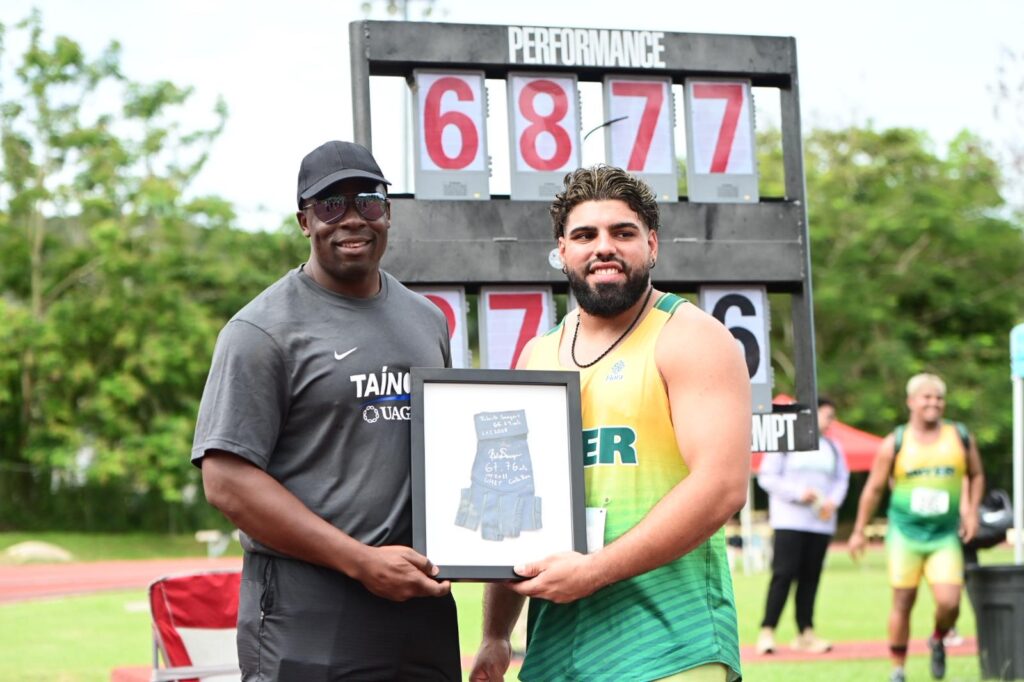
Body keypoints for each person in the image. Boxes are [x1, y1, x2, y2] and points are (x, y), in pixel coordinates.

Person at [469, 165, 751, 682]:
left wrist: (592, 572)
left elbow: (722, 486)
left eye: (622, 232)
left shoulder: (691, 337)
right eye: (585, 235)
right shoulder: (537, 355)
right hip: (558, 648)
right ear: (562, 249)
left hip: (670, 646)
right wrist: (495, 635)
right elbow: (514, 503)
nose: (604, 247)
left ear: (652, 244)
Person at [191, 141, 460, 681]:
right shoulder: (260, 331)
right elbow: (225, 481)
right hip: (306, 605)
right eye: (330, 205)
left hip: (419, 603)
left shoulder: (426, 319)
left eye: (368, 200)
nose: (353, 218)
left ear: (389, 211)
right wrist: (361, 561)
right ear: (304, 221)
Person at [849, 373, 984, 682]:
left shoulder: (960, 436)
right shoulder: (895, 442)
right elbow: (873, 489)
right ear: (911, 402)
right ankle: (898, 668)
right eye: (926, 397)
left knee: (950, 603)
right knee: (903, 601)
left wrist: (972, 512)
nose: (933, 402)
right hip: (905, 535)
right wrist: (859, 530)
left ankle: (938, 638)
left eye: (938, 397)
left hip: (944, 534)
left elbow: (976, 475)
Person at [755, 397, 850, 655]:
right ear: (811, 415)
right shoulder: (786, 442)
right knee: (783, 575)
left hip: (820, 524)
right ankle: (767, 630)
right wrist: (798, 492)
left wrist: (833, 501)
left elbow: (842, 479)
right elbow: (767, 477)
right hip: (790, 521)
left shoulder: (832, 447)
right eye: (827, 415)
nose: (831, 421)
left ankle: (805, 632)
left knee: (811, 578)